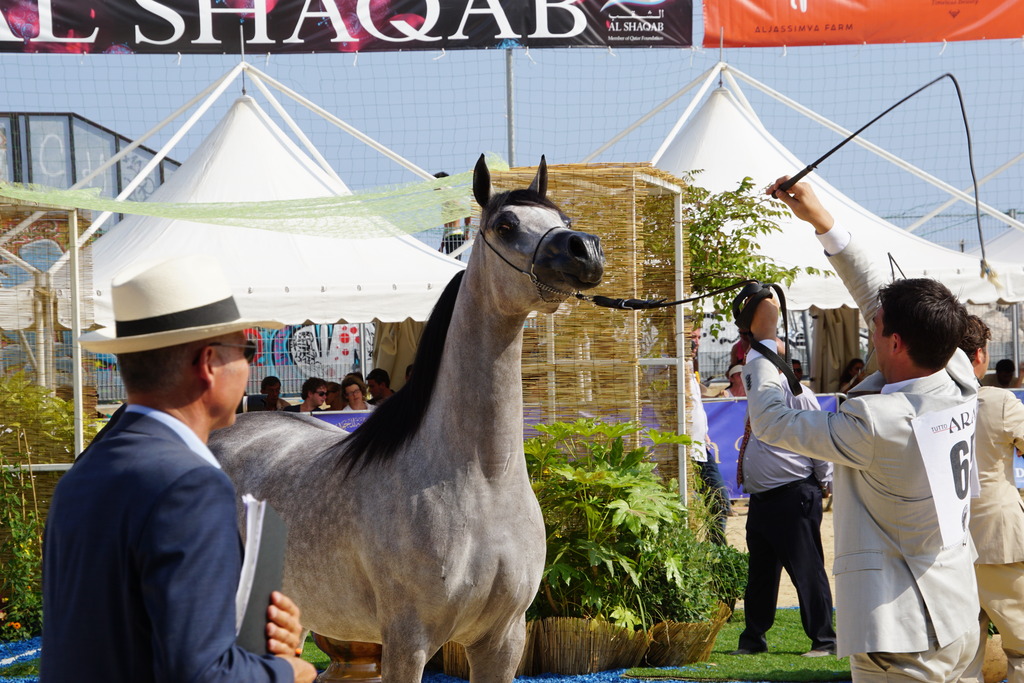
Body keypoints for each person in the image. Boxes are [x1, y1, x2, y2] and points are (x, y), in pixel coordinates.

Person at [741, 176, 980, 681]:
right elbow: (882, 299)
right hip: (956, 611)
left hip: (904, 632)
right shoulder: (956, 369)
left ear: (895, 343)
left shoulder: (877, 422)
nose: (869, 322)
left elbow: (769, 420)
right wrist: (822, 221)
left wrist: (763, 345)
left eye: (876, 324)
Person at [42, 254, 316, 683]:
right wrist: (289, 671)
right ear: (209, 364)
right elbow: (202, 673)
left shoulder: (83, 474)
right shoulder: (189, 484)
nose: (251, 366)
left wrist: (256, 645)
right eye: (247, 350)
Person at [732, 352, 835, 658]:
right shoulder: (759, 395)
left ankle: (824, 640)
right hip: (762, 498)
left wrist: (823, 480)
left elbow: (818, 437)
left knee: (806, 569)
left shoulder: (798, 393)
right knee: (760, 572)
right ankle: (753, 638)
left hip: (794, 494)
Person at [957, 315, 1024, 683]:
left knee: (961, 654)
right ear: (980, 354)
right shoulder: (1000, 401)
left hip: (945, 538)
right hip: (1000, 536)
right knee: (1021, 644)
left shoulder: (924, 402)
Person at [685, 360, 730, 545]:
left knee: (719, 500)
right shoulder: (669, 364)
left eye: (697, 338)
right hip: (683, 448)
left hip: (700, 447)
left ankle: (717, 551)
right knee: (691, 505)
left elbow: (695, 402)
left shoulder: (689, 365)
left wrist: (702, 431)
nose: (695, 343)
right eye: (692, 338)